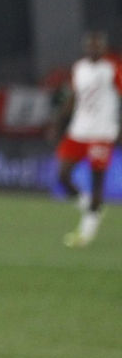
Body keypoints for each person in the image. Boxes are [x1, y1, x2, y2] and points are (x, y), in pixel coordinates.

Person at [53, 29, 120, 248]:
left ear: (103, 47)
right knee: (62, 176)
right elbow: (74, 98)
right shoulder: (79, 68)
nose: (93, 48)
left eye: (97, 45)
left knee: (96, 181)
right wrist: (58, 121)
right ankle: (90, 207)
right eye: (90, 45)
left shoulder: (112, 69)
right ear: (85, 47)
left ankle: (86, 233)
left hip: (102, 133)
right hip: (79, 131)